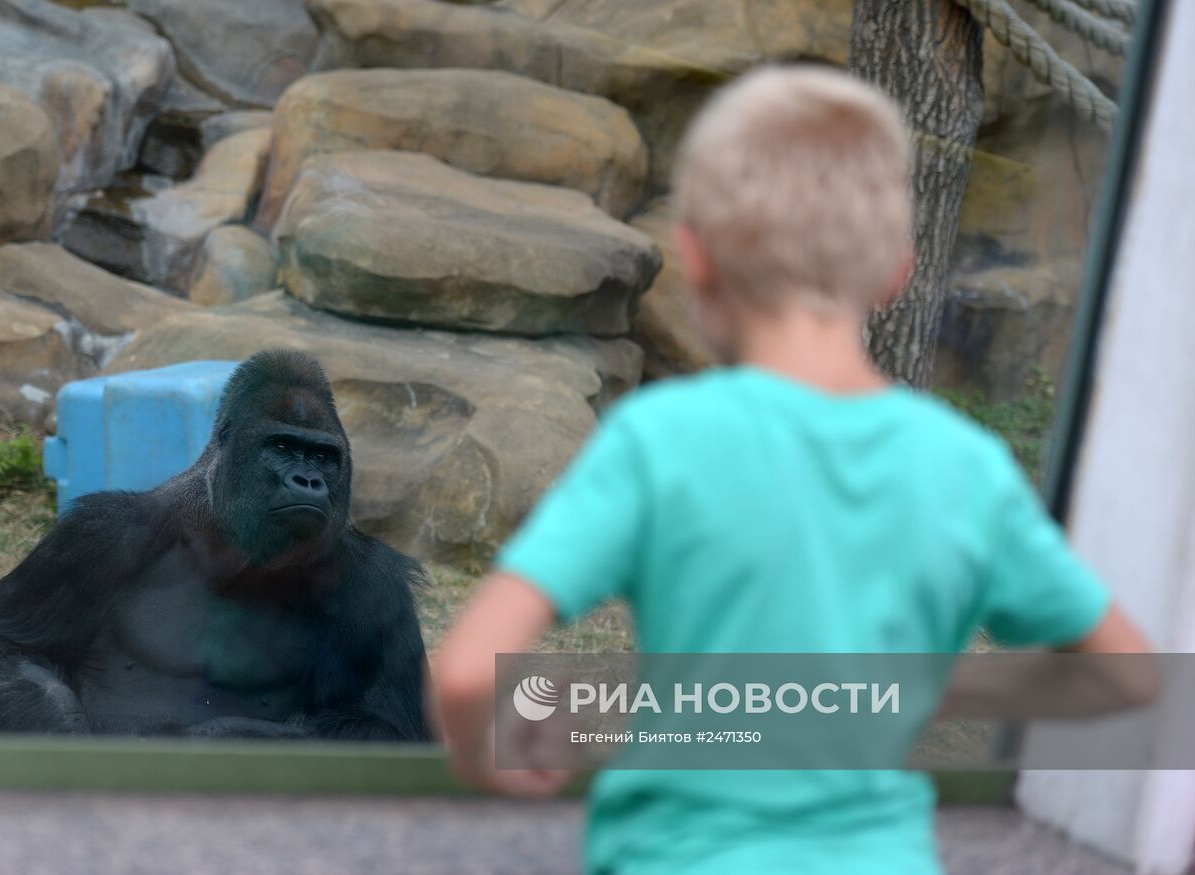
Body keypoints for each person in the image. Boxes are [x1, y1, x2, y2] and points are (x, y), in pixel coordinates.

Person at [430, 66, 1152, 874]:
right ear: (897, 271)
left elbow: (465, 673)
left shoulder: (659, 441)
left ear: (696, 259)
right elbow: (1125, 675)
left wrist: (487, 758)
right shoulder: (965, 467)